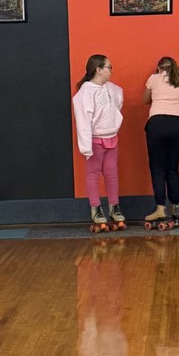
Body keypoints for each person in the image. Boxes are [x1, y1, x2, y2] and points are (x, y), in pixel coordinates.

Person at [73, 54, 125, 230]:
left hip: (112, 137)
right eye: (109, 67)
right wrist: (86, 147)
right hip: (95, 140)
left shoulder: (111, 88)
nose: (111, 71)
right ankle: (96, 208)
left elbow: (118, 99)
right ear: (99, 69)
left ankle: (114, 206)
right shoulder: (85, 93)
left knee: (111, 173)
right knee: (93, 174)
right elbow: (83, 120)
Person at [143, 56, 179, 226]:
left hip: (157, 123)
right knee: (173, 168)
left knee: (157, 168)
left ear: (159, 68)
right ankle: (177, 208)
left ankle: (160, 209)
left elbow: (145, 100)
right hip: (177, 124)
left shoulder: (153, 79)